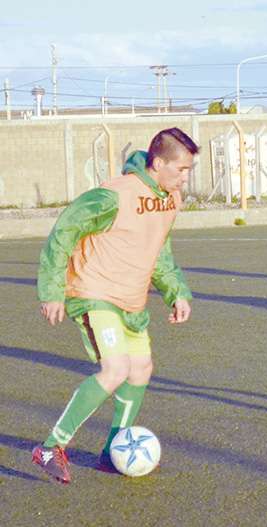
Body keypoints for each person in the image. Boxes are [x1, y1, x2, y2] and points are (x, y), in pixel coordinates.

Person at [33, 128, 198, 483]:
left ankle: (111, 453)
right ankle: (51, 446)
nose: (186, 176)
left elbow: (159, 250)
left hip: (132, 300)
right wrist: (52, 290)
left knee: (141, 369)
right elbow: (65, 230)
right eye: (181, 169)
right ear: (158, 163)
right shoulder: (112, 195)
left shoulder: (170, 200)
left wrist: (176, 292)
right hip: (94, 291)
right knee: (116, 368)